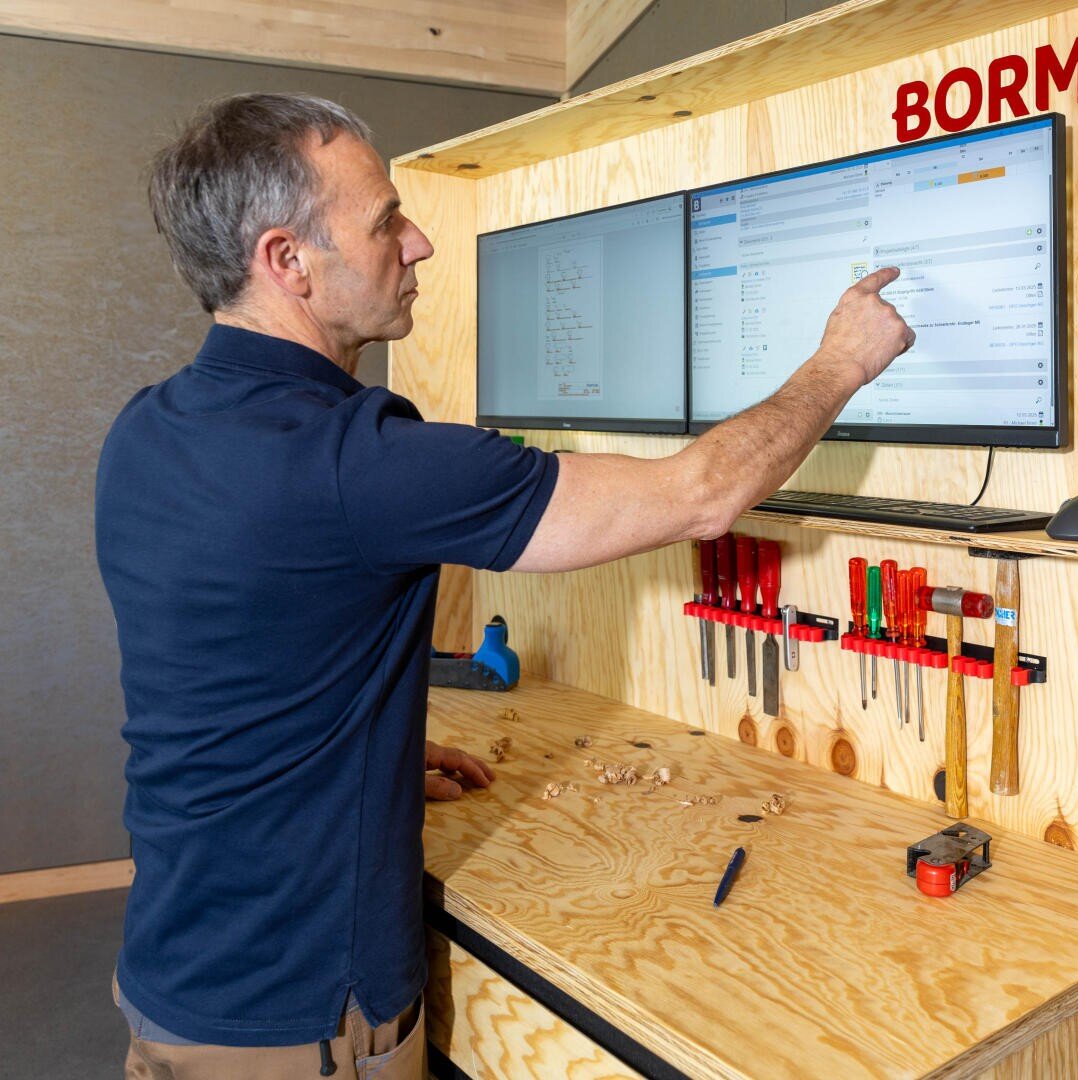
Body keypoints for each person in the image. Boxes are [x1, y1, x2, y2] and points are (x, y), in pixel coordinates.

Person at [95, 92, 915, 1079]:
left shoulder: (147, 429)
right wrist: (840, 362)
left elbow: (235, 664)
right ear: (287, 261)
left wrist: (372, 761)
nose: (420, 242)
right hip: (299, 1017)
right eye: (386, 220)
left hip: (175, 978)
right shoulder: (360, 464)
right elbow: (705, 495)